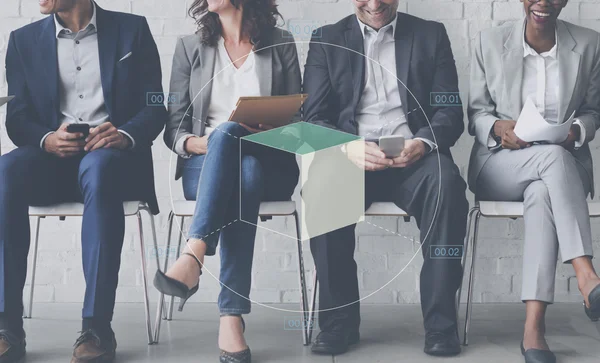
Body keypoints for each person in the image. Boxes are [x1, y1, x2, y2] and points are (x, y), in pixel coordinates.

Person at [0, 0, 165, 362]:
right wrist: (46, 138)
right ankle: (6, 324)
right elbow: (17, 118)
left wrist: (123, 134)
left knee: (100, 166)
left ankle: (97, 327)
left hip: (112, 162)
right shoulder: (22, 40)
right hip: (51, 162)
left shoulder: (132, 31)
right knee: (5, 169)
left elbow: (156, 104)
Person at [302, 0, 468, 357]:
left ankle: (441, 326)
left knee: (448, 186)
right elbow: (313, 117)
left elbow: (449, 110)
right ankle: (338, 324)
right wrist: (348, 147)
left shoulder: (430, 35)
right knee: (321, 188)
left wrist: (423, 143)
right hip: (351, 153)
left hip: (413, 153)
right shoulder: (325, 38)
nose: (375, 4)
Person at [153, 0, 300, 362]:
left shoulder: (280, 43)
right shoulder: (190, 47)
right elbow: (174, 126)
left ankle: (194, 253)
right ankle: (231, 316)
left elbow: (301, 117)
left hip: (272, 160)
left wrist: (274, 127)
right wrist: (196, 142)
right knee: (240, 165)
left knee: (235, 142)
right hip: (205, 164)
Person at [467, 0, 600, 362]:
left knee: (543, 190)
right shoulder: (488, 42)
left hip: (560, 171)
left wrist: (576, 130)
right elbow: (476, 113)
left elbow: (593, 112)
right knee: (552, 159)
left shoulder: (589, 44)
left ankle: (533, 330)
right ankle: (586, 274)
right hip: (500, 163)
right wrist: (497, 128)